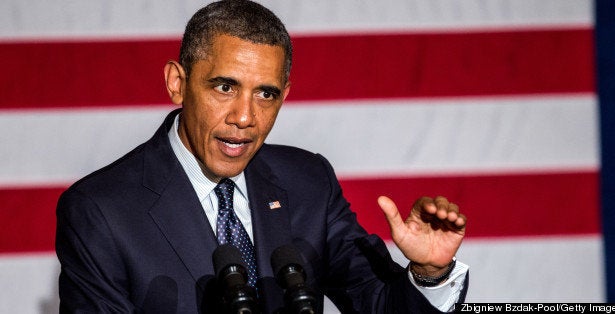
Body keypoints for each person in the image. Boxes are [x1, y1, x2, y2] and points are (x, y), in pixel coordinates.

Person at [55, 0, 469, 313]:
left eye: (266, 94)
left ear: (285, 95)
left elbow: (380, 304)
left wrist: (429, 273)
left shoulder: (308, 182)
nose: (244, 117)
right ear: (177, 83)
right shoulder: (101, 211)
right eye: (224, 87)